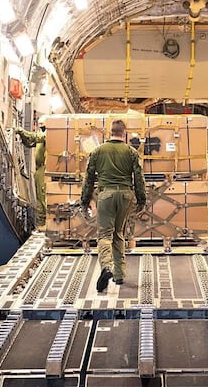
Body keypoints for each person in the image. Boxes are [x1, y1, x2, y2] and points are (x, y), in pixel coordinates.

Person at [80, 119, 146, 291]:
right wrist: (142, 199)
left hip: (106, 195)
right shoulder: (131, 152)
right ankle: (119, 274)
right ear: (124, 134)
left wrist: (85, 200)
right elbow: (139, 178)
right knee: (118, 233)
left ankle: (106, 267)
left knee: (104, 235)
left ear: (110, 132)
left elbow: (89, 179)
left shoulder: (98, 151)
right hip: (125, 195)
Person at [15, 115, 47, 231]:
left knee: (43, 196)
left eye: (42, 125)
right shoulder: (40, 136)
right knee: (39, 197)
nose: (40, 128)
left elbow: (38, 137)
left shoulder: (47, 135)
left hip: (45, 169)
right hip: (39, 170)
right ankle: (41, 223)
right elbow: (29, 143)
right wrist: (22, 136)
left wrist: (22, 131)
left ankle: (46, 222)